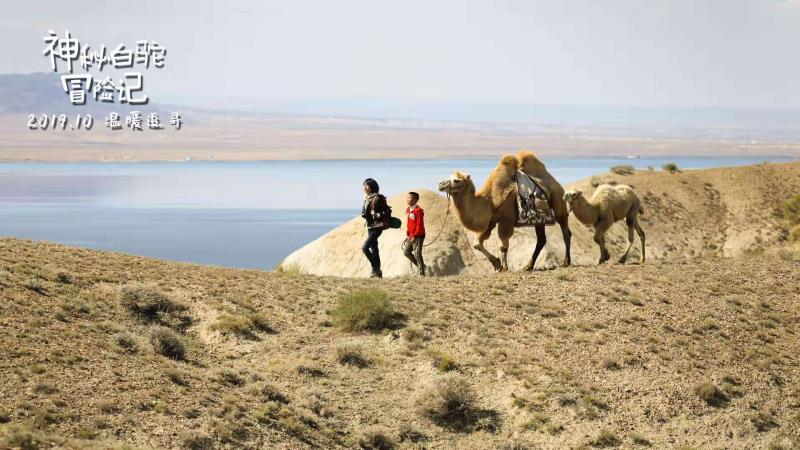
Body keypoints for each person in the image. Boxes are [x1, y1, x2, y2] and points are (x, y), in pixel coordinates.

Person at [360, 178, 390, 278]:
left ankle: (375, 269)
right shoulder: (367, 198)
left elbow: (386, 211)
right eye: (364, 185)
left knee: (365, 247)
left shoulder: (378, 198)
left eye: (366, 185)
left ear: (372, 187)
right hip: (370, 226)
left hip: (377, 226)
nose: (364, 187)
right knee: (374, 249)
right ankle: (378, 273)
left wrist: (377, 215)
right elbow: (365, 213)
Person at [402, 191, 426, 276]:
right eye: (407, 197)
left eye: (410, 197)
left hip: (418, 235)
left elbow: (419, 224)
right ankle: (421, 266)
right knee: (406, 252)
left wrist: (415, 236)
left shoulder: (418, 210)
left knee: (417, 253)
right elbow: (409, 223)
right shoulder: (408, 210)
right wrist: (408, 235)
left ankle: (421, 273)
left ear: (416, 200)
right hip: (411, 235)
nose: (408, 199)